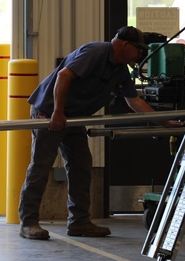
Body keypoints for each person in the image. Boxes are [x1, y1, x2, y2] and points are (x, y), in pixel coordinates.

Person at [19, 26, 171, 239]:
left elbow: (134, 101)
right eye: (139, 50)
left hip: (73, 118)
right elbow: (63, 76)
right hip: (50, 112)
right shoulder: (95, 52)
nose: (140, 55)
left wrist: (165, 123)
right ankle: (29, 223)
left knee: (81, 165)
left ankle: (79, 222)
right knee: (41, 165)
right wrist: (57, 112)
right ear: (126, 45)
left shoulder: (120, 70)